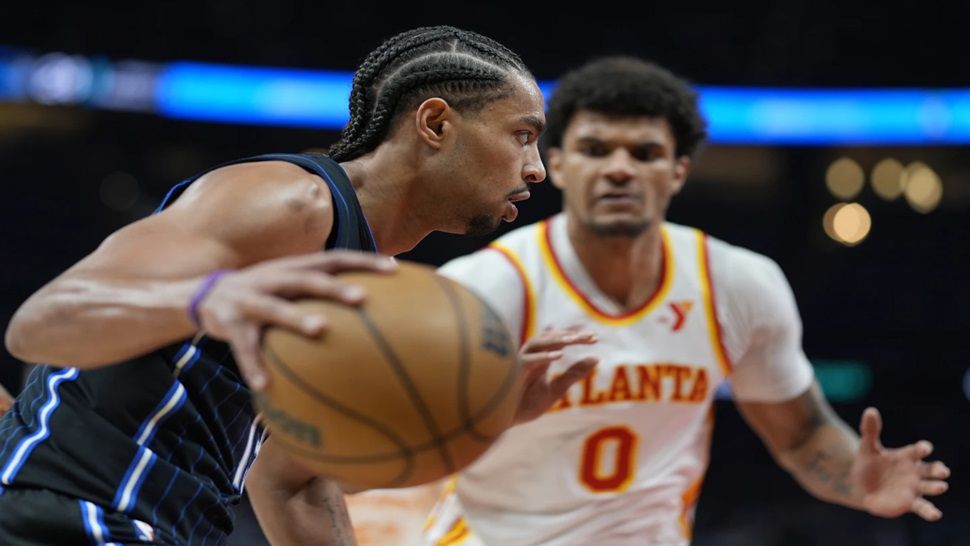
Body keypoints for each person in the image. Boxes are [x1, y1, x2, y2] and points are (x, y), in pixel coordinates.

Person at [0, 26, 597, 546]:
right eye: (523, 135)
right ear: (435, 122)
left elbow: (295, 481)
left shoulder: (370, 275)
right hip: (66, 512)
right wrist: (207, 300)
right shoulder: (288, 200)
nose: (537, 168)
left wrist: (483, 414)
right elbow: (41, 324)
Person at [419, 57, 951, 546]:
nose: (619, 168)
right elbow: (412, 438)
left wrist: (854, 478)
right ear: (556, 164)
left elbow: (803, 436)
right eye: (595, 149)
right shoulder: (490, 284)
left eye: (645, 153)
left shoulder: (738, 284)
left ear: (678, 171)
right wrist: (482, 416)